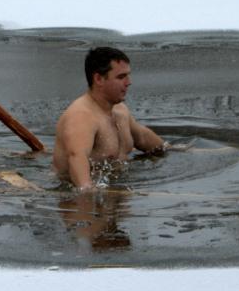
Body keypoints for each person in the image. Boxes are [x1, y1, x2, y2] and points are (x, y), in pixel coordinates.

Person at [52, 46, 165, 190]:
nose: (128, 82)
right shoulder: (81, 116)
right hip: (73, 195)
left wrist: (174, 150)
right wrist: (87, 192)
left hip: (115, 189)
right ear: (98, 78)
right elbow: (76, 157)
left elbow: (142, 137)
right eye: (121, 77)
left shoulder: (120, 110)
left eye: (128, 75)